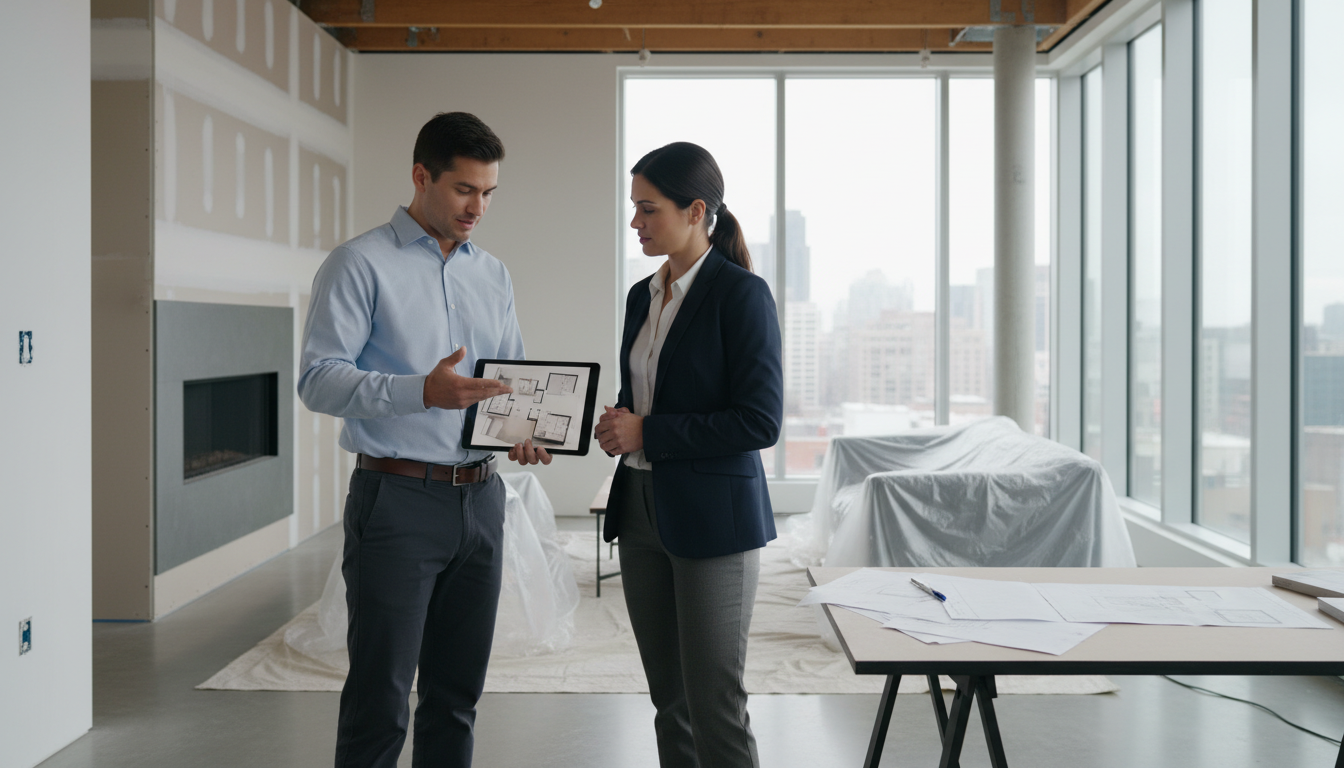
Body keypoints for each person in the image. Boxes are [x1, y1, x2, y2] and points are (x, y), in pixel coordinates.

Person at [298, 111, 551, 768]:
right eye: (466, 189)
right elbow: (318, 381)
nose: (479, 207)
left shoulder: (492, 273)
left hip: (482, 500)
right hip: (397, 499)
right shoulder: (358, 264)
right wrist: (420, 391)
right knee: (380, 701)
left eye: (489, 192)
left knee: (457, 696)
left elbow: (511, 379)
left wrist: (525, 431)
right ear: (421, 176)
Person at [594, 141, 783, 768]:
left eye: (648, 209)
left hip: (713, 519)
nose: (636, 223)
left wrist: (651, 432)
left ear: (695, 209)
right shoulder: (640, 296)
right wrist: (622, 423)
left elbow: (759, 420)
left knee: (714, 702)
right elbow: (644, 395)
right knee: (668, 700)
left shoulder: (741, 296)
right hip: (643, 512)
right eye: (634, 209)